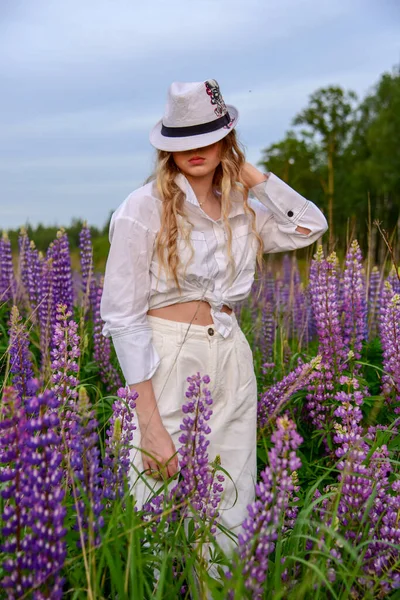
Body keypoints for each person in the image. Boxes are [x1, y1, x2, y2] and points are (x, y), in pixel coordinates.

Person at [100, 79, 328, 552]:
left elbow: (309, 226)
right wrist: (149, 423)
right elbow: (121, 317)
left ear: (226, 141)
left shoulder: (244, 207)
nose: (196, 148)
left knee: (230, 506)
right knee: (157, 511)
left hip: (231, 355)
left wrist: (251, 175)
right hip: (164, 360)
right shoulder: (141, 209)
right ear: (167, 147)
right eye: (184, 138)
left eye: (207, 136)